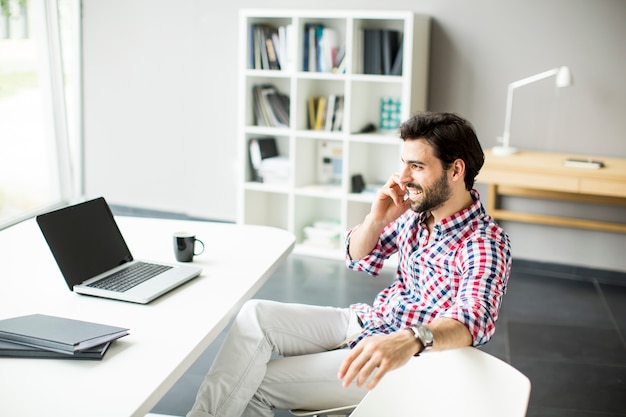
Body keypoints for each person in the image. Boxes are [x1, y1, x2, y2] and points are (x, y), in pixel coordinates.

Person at [187, 112, 512, 417]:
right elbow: (357, 257)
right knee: (255, 315)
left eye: (417, 166)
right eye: (403, 164)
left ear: (455, 171)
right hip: (370, 321)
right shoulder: (416, 214)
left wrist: (409, 339)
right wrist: (376, 219)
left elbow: (474, 320)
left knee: (254, 382)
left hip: (408, 360)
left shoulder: (483, 242)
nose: (403, 178)